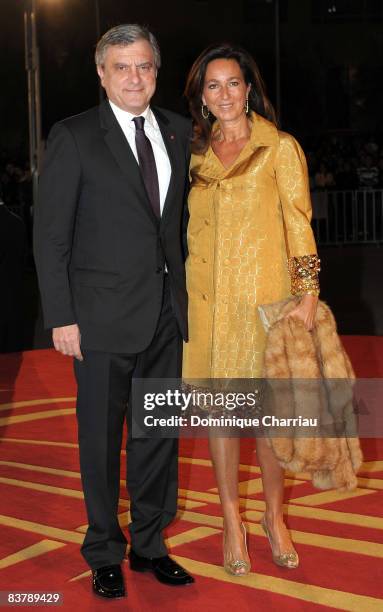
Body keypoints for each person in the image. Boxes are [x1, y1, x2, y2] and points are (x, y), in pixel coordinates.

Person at [34, 24, 194, 599]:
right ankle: (104, 549)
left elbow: (175, 227)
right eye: (122, 67)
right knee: (100, 441)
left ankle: (150, 545)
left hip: (166, 317)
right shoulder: (74, 136)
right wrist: (61, 316)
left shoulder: (178, 131)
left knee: (157, 435)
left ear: (157, 71)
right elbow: (50, 236)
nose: (135, 77)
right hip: (98, 321)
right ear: (101, 74)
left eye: (144, 66)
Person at [183, 44, 320, 575]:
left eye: (232, 83)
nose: (224, 94)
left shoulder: (279, 148)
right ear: (201, 97)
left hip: (267, 303)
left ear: (249, 88)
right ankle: (230, 521)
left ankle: (274, 517)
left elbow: (299, 222)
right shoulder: (192, 154)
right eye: (212, 85)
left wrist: (307, 293)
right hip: (210, 308)